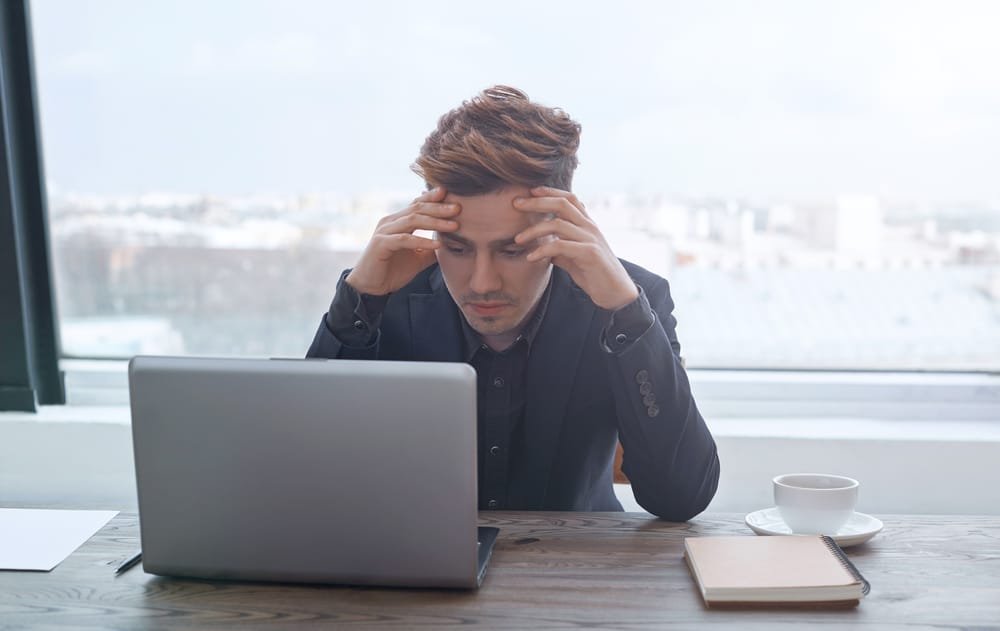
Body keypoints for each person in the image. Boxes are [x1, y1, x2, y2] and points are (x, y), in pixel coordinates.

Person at [307, 85, 719, 520]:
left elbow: (682, 497)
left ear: (560, 227)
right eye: (459, 248)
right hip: (410, 569)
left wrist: (626, 314)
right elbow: (304, 476)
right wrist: (358, 303)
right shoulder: (384, 294)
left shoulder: (628, 300)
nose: (482, 284)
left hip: (580, 569)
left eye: (512, 250)